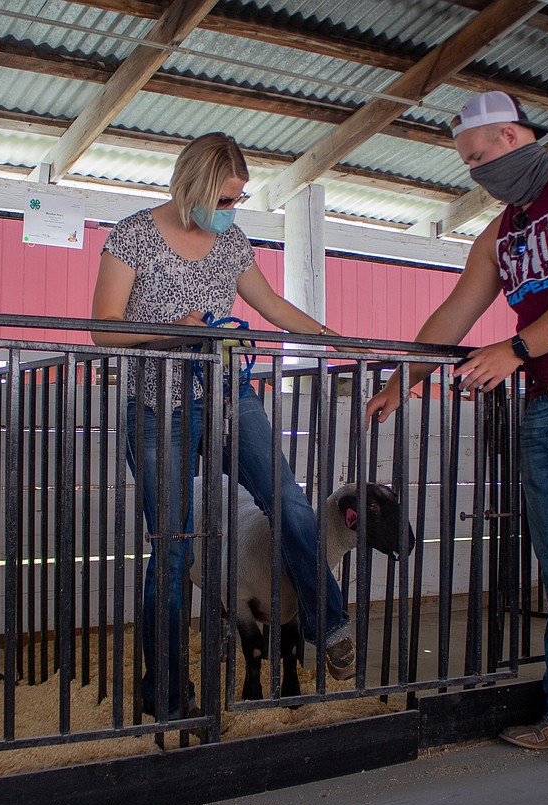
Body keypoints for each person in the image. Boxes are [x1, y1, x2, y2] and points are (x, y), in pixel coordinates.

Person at [365, 91, 548, 771]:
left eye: (479, 157)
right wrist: (399, 382)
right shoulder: (499, 233)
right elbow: (455, 311)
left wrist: (516, 351)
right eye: (467, 164)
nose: (475, 172)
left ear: (511, 136)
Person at [91, 132, 356, 720]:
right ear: (193, 185)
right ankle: (164, 688)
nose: (231, 210)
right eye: (226, 198)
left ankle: (329, 621)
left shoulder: (231, 243)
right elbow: (103, 329)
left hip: (230, 396)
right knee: (175, 544)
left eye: (237, 200)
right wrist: (175, 330)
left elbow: (273, 307)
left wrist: (333, 339)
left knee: (289, 501)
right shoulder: (134, 235)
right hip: (160, 405)